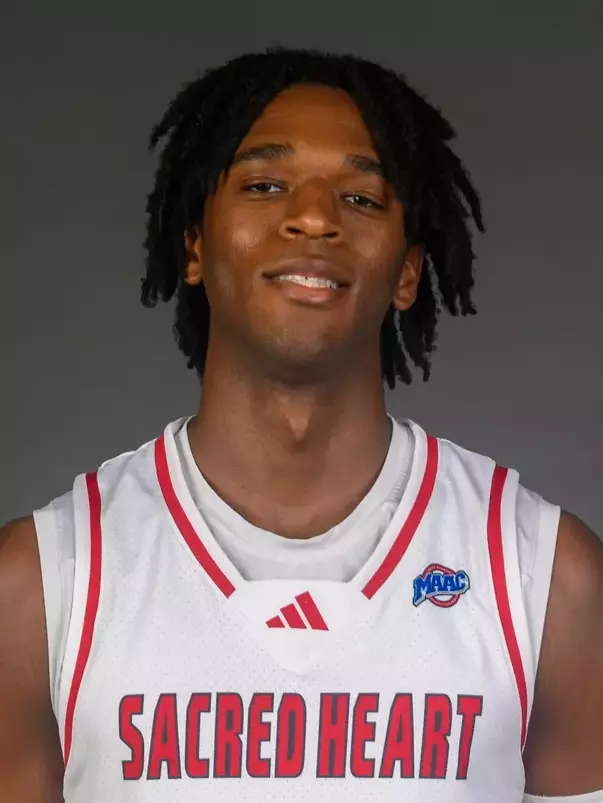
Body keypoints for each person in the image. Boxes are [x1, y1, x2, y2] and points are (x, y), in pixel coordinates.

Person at [1, 46, 602, 803]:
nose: (313, 215)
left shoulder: (546, 581)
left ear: (408, 271)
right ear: (194, 245)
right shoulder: (40, 588)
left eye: (360, 198)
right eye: (264, 184)